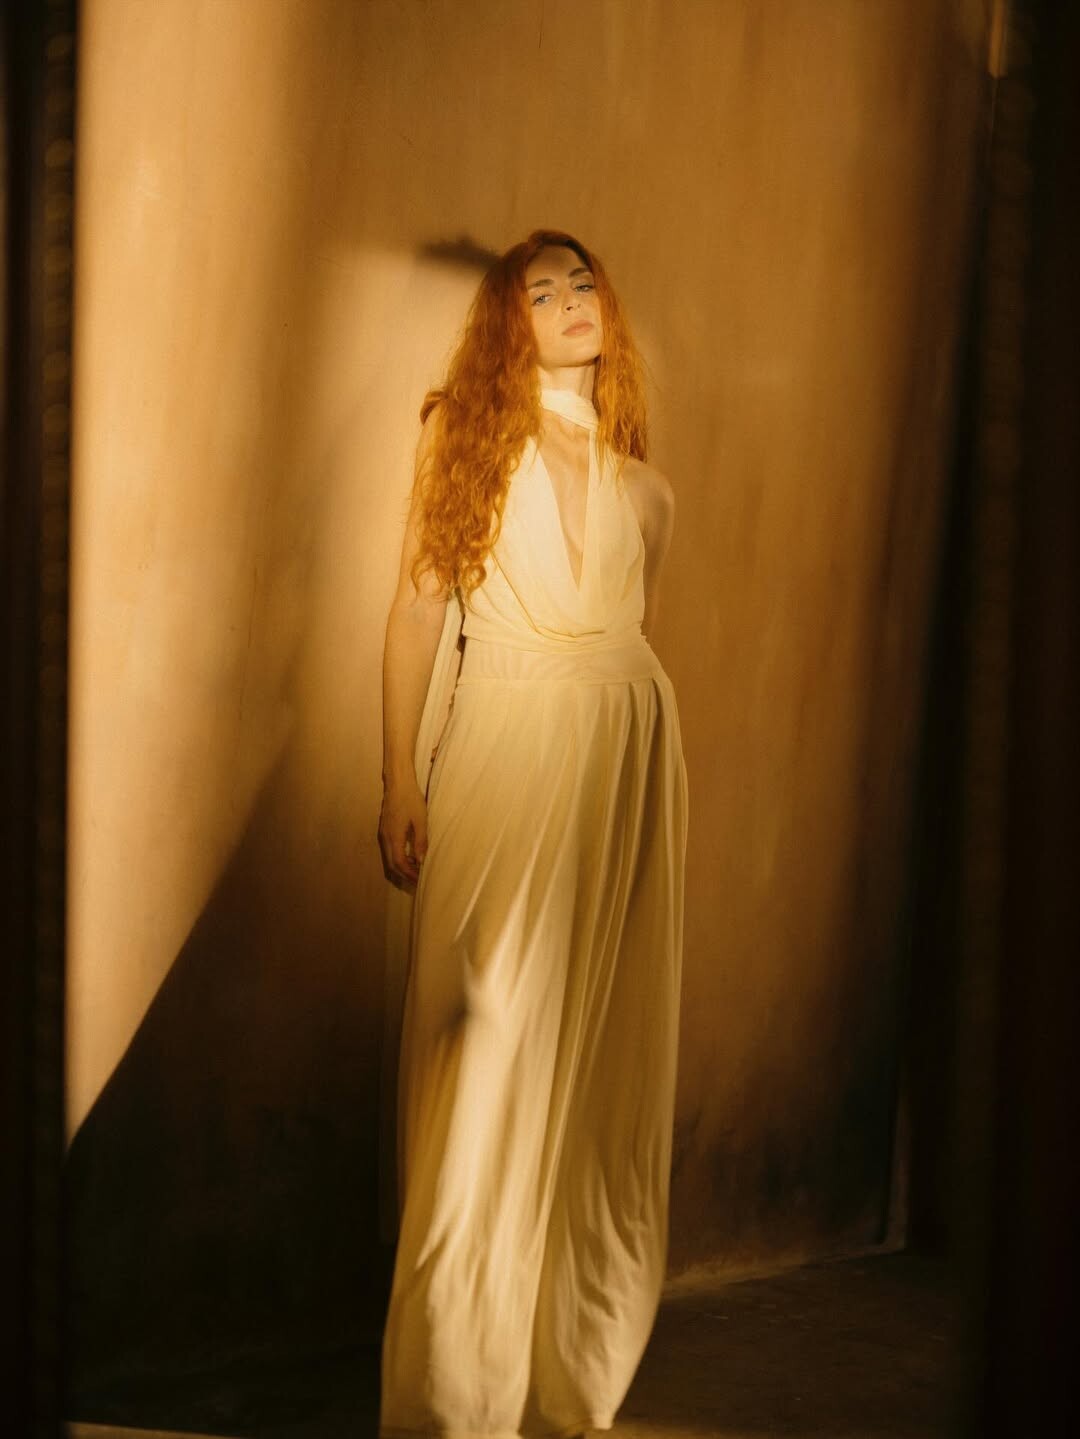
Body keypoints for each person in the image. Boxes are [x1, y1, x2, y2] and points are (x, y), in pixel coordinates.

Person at [377, 228, 688, 1438]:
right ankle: (455, 1394)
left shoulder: (644, 487)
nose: (569, 301)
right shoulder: (463, 440)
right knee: (484, 1042)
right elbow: (416, 612)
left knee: (598, 1055)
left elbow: (632, 635)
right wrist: (398, 778)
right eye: (541, 290)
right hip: (505, 753)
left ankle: (565, 1372)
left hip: (622, 770)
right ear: (509, 324)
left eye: (581, 282)